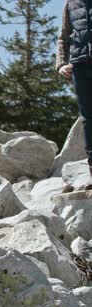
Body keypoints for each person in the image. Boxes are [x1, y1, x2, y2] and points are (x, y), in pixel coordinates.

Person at [57, 0, 92, 184]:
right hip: (79, 65)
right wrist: (61, 63)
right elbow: (64, 36)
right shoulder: (70, 3)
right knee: (88, 120)